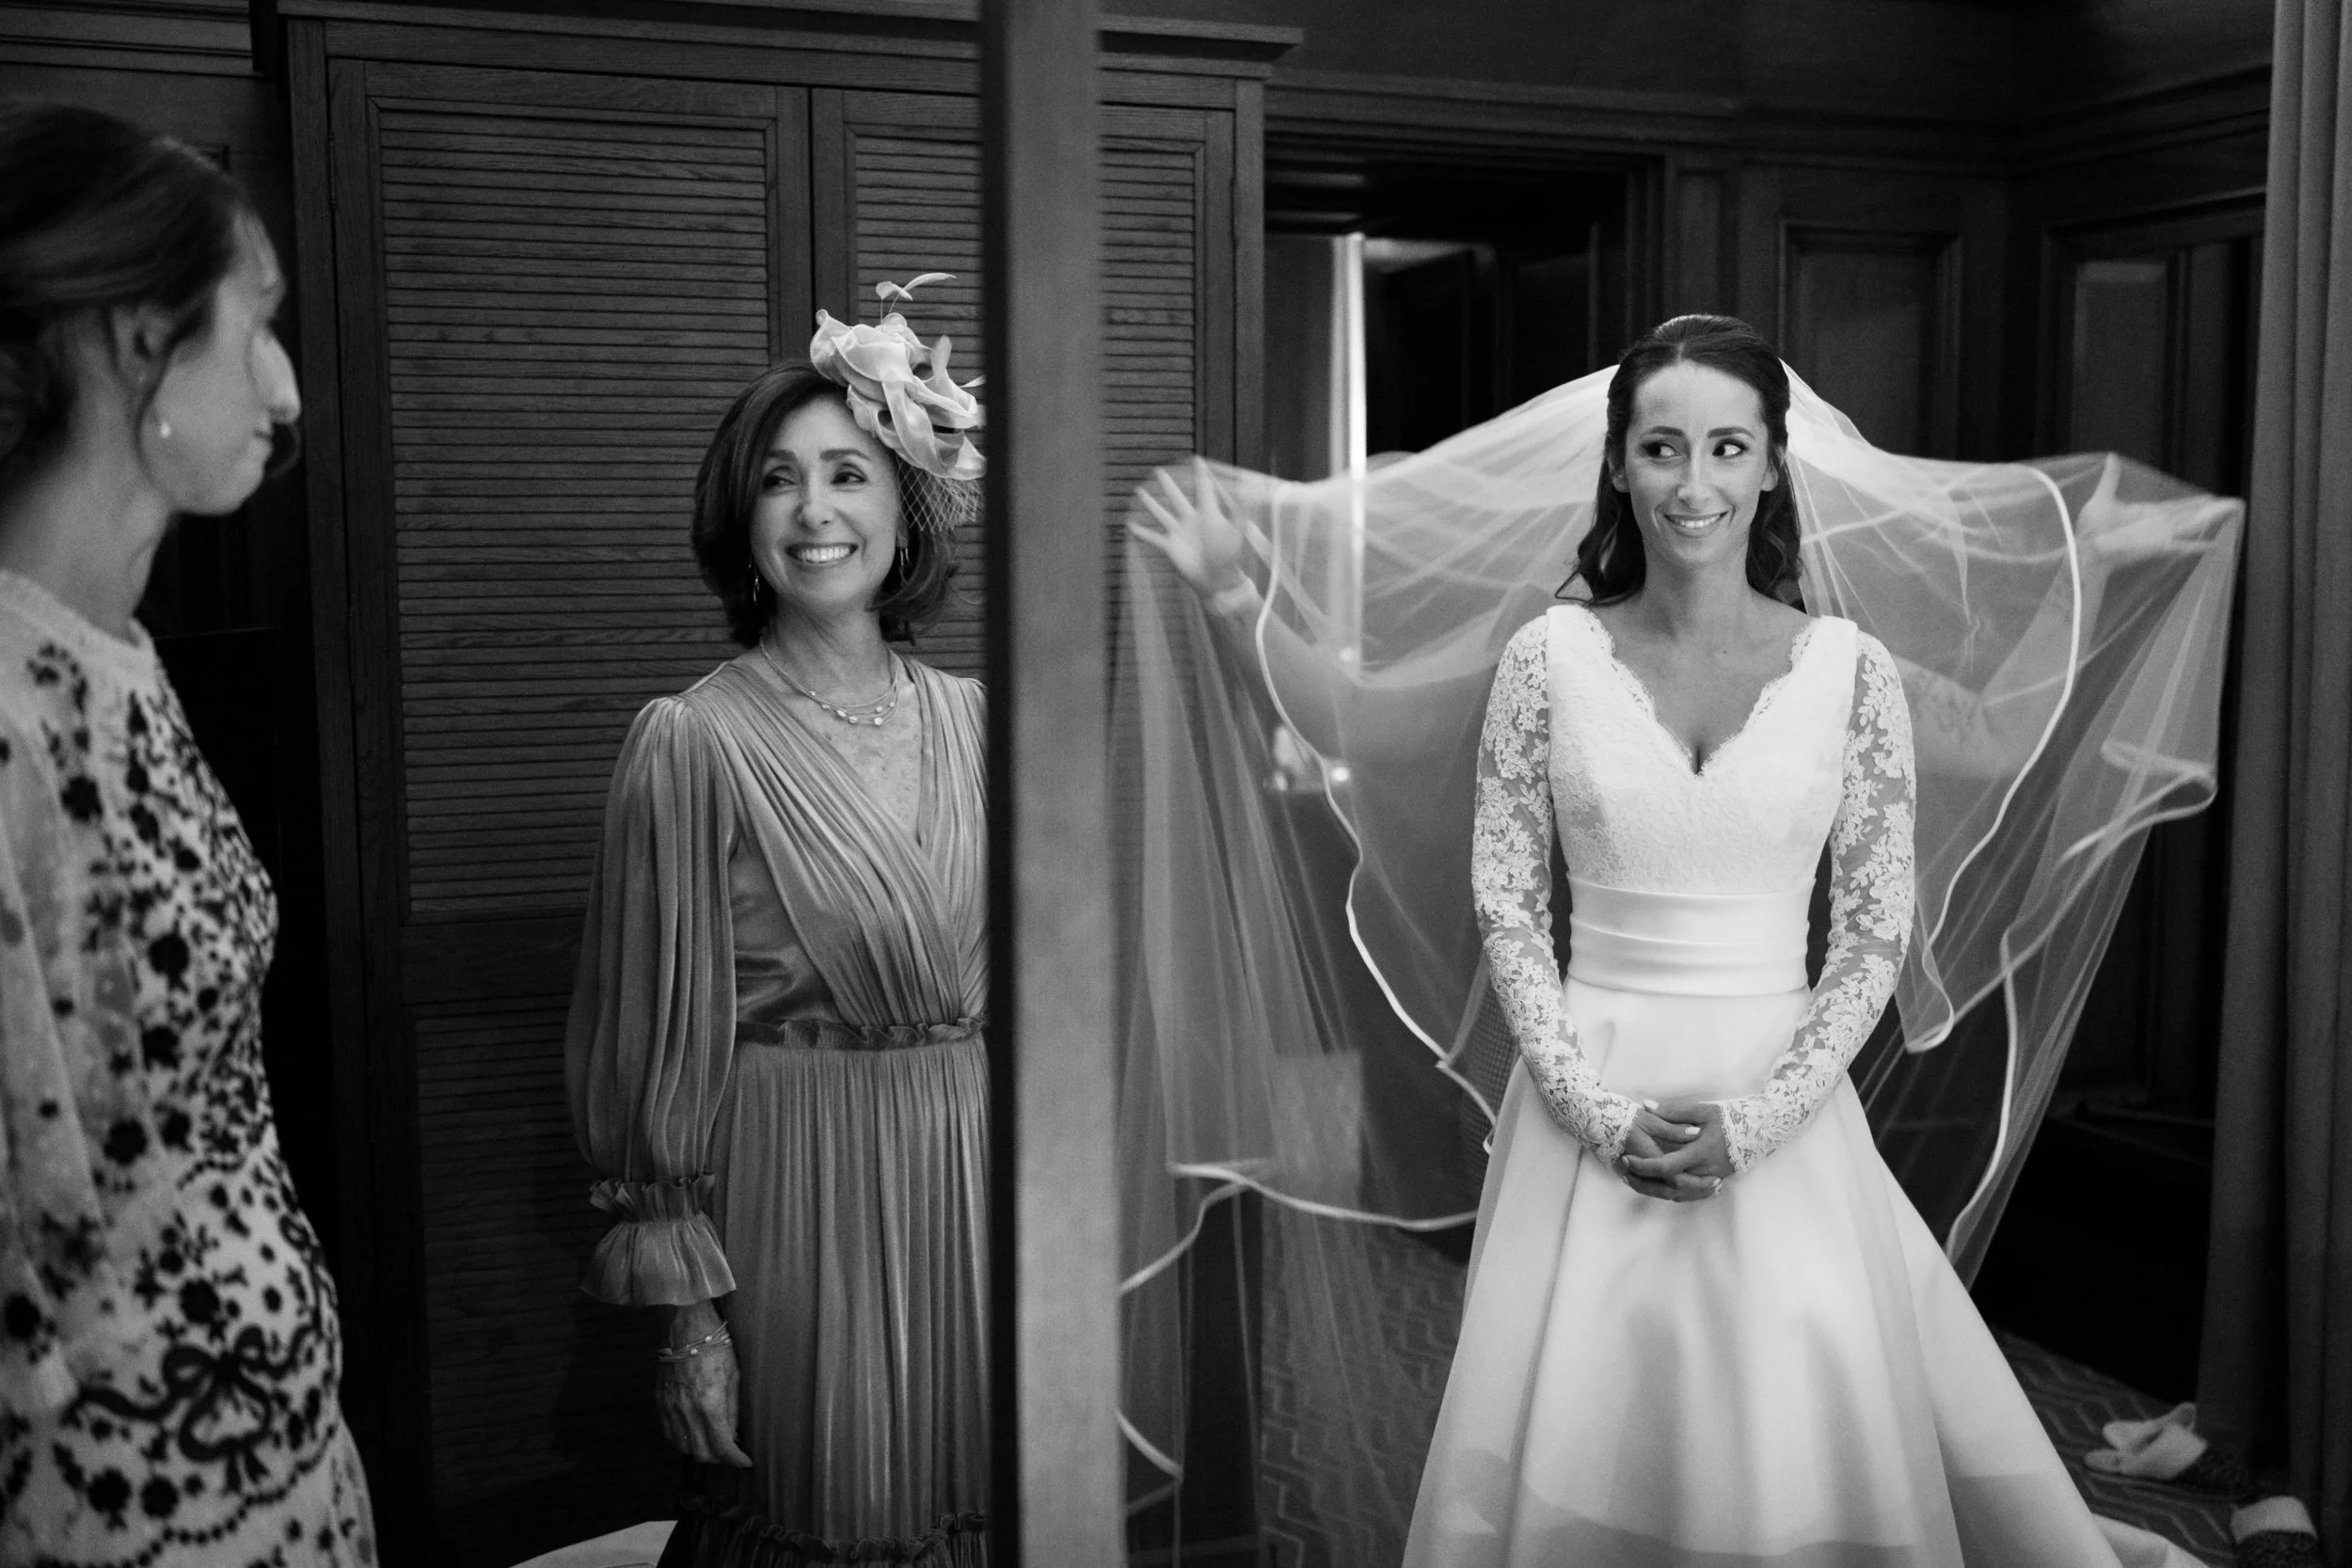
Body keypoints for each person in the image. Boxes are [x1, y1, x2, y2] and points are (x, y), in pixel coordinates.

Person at [1122, 315, 2236, 1563]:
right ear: (1619, 465)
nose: (1693, 483)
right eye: (1663, 447)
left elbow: (1874, 930)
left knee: (1792, 1448)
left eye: (1725, 447)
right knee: (1582, 1438)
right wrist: (1589, 1104)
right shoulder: (1548, 658)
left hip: (1784, 1097)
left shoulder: (1851, 671)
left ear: (1772, 466)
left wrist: (1763, 1117)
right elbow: (1500, 894)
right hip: (1584, 1088)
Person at [0, 103, 376, 1564]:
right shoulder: (11, 706)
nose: (285, 390)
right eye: (254, 323)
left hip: (266, 1436)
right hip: (119, 1492)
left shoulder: (123, 658)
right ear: (129, 333)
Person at [565, 281, 988, 1568]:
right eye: (779, 481)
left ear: (905, 501)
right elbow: (655, 1047)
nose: (815, 512)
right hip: (794, 1192)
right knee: (827, 1517)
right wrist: (690, 1322)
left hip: (971, 1186)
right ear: (739, 517)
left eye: (849, 473)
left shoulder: (981, 717)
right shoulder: (690, 742)